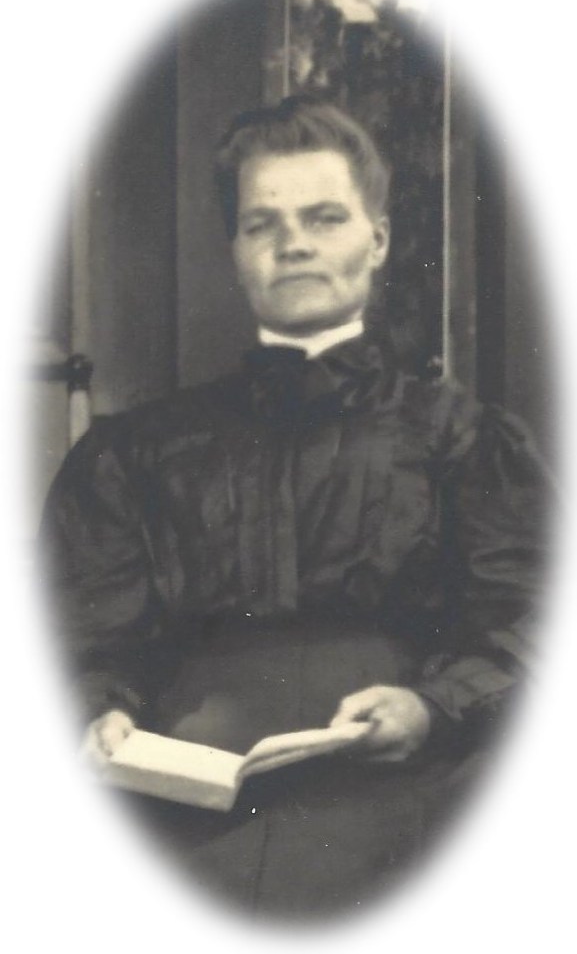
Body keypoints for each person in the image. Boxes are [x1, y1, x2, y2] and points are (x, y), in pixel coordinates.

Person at [41, 96, 548, 919]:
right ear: (235, 251)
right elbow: (79, 635)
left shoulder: (459, 440)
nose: (294, 243)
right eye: (261, 224)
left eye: (324, 217)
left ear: (376, 239)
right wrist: (100, 712)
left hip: (411, 800)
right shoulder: (138, 452)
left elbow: (533, 623)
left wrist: (429, 707)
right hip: (184, 809)